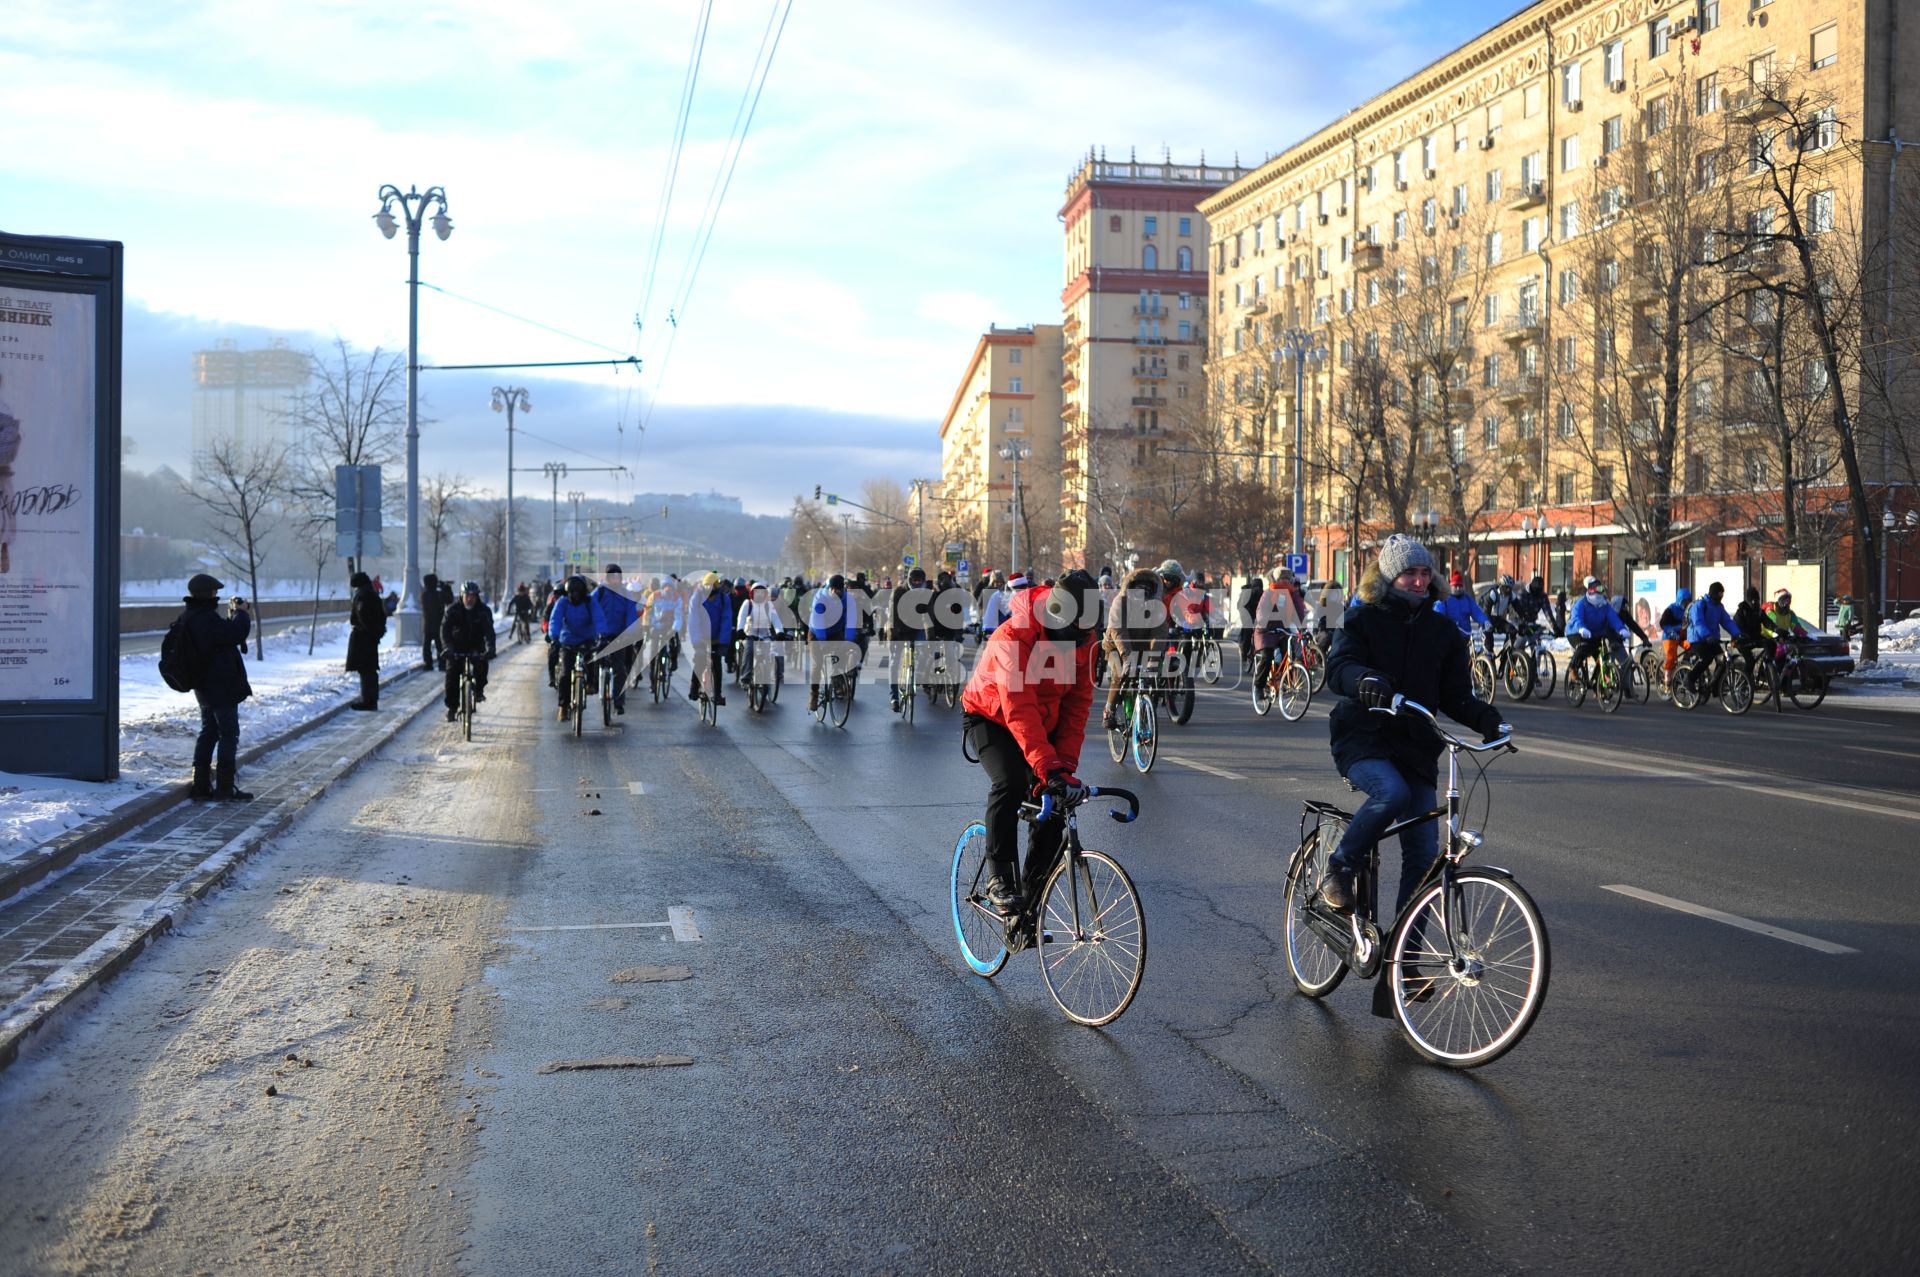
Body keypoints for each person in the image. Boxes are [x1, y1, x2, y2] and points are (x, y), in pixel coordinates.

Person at [1319, 535, 1506, 926]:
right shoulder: (1361, 618)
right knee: (1392, 793)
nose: (1419, 581)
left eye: (1424, 573)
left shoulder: (1443, 632)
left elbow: (1456, 695)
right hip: (1364, 739)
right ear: (1388, 576)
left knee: (1423, 856)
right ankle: (1340, 866)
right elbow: (1339, 668)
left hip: (1416, 750)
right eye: (1409, 573)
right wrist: (1364, 679)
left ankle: (1403, 964)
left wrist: (1487, 719)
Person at [960, 569, 1102, 914]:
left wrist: (1063, 768)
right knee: (1010, 781)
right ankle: (1000, 879)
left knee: (1055, 800)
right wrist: (1045, 764)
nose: (1073, 646)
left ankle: (1031, 905)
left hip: (1041, 720)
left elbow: (1077, 707)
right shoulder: (1014, 636)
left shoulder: (1083, 637)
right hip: (992, 716)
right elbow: (1018, 707)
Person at [179, 573, 255, 801]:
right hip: (219, 685)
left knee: (209, 731)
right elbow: (234, 633)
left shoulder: (189, 616)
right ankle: (224, 787)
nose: (217, 596)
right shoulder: (205, 618)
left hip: (203, 686)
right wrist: (241, 614)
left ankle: (201, 784)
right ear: (208, 594)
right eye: (215, 592)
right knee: (228, 734)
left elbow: (221, 636)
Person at [1101, 566, 1166, 730]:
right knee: (1119, 673)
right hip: (1116, 646)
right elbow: (1118, 630)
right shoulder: (1119, 602)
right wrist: (1127, 657)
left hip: (1142, 645)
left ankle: (1146, 711)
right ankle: (1109, 711)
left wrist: (1153, 660)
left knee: (1153, 675)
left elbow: (1159, 633)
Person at [590, 565, 643, 715]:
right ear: (607, 578)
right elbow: (590, 608)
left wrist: (630, 633)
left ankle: (619, 702)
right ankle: (593, 685)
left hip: (619, 636)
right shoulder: (599, 593)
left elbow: (631, 615)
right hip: (600, 635)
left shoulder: (626, 594)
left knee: (620, 670)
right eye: (612, 576)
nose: (615, 579)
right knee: (594, 661)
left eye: (618, 577)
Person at [441, 581, 497, 722]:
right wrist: (447, 648)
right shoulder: (453, 610)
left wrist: (490, 648)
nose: (470, 598)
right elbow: (445, 631)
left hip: (476, 646)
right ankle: (452, 708)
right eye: (467, 595)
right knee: (452, 675)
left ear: (477, 596)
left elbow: (489, 632)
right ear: (461, 595)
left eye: (473, 595)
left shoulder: (484, 611)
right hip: (456, 646)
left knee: (482, 664)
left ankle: (479, 690)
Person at [548, 574, 599, 719]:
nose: (575, 596)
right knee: (564, 673)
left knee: (592, 661)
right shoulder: (562, 602)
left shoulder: (590, 602)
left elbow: (599, 618)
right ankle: (563, 706)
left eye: (577, 592)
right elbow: (555, 619)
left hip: (587, 639)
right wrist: (554, 636)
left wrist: (601, 635)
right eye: (572, 592)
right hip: (568, 641)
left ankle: (590, 684)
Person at [808, 573, 860, 712]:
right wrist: (823, 643)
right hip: (816, 632)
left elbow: (851, 621)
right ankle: (813, 694)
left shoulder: (848, 599)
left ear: (842, 589)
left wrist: (849, 641)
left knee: (839, 655)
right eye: (832, 589)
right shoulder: (820, 597)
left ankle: (837, 682)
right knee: (817, 664)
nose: (835, 592)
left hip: (835, 631)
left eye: (838, 589)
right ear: (829, 587)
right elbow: (817, 621)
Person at [1566, 576, 1629, 690]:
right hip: (1575, 632)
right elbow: (1576, 618)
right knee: (1583, 647)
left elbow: (1613, 618)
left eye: (1601, 590)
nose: (1599, 594)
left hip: (1594, 634)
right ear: (1590, 591)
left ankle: (1596, 685)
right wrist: (1581, 628)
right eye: (1596, 590)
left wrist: (1621, 629)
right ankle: (1572, 668)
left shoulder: (1604, 605)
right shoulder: (1581, 604)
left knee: (1601, 658)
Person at [884, 567, 934, 710]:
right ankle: (894, 697)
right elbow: (893, 616)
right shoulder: (899, 592)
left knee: (925, 651)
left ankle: (917, 677)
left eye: (920, 581)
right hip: (899, 629)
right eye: (914, 580)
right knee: (894, 661)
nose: (917, 583)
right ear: (910, 580)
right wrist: (893, 637)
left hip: (916, 628)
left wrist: (930, 639)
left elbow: (928, 617)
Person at [682, 571, 734, 707]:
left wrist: (723, 643)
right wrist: (697, 642)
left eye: (712, 586)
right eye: (707, 586)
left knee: (716, 664)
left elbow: (726, 620)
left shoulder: (723, 599)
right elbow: (694, 622)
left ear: (717, 586)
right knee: (700, 660)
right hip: (702, 638)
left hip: (716, 638)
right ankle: (694, 688)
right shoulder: (697, 598)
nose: (709, 589)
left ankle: (717, 694)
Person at [1250, 573, 1307, 692]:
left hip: (1282, 630)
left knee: (1289, 654)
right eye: (1282, 578)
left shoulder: (1292, 594)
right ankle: (1258, 687)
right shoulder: (1268, 593)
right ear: (1277, 579)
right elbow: (1261, 610)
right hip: (1266, 630)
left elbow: (1299, 611)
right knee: (1267, 656)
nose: (1285, 581)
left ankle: (1284, 682)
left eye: (1287, 579)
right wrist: (1263, 622)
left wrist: (1302, 627)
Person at [1683, 580, 1742, 693]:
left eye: (1721, 596)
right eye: (1718, 596)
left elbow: (1726, 621)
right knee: (1707, 658)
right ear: (1712, 594)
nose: (1719, 599)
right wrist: (1707, 635)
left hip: (1712, 639)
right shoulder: (1700, 604)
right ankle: (1689, 679)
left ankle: (1715, 686)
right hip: (1697, 639)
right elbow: (1698, 622)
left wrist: (1737, 633)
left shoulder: (1719, 607)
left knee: (1723, 659)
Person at [346, 570, 386, 711]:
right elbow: (382, 616)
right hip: (370, 637)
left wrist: (368, 631)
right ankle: (370, 699)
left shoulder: (363, 595)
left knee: (366, 670)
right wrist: (378, 632)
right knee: (369, 669)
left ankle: (368, 700)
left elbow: (362, 617)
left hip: (364, 637)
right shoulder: (372, 593)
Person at [737, 581, 785, 690]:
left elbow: (776, 619)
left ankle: (767, 681)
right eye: (756, 592)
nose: (759, 594)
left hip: (765, 636)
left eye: (761, 592)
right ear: (752, 593)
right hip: (750, 635)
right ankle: (745, 679)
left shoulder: (769, 605)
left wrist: (779, 631)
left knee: (769, 655)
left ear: (765, 594)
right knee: (749, 652)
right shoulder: (747, 604)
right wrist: (740, 630)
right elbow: (741, 617)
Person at [1657, 587, 1693, 688]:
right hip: (1669, 636)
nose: (1687, 603)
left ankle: (1683, 667)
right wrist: (1672, 631)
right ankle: (1667, 681)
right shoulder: (1671, 609)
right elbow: (1663, 623)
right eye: (1685, 601)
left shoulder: (1688, 610)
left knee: (1691, 646)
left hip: (1681, 635)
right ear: (1680, 600)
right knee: (1671, 657)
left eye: (1688, 601)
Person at [1438, 571, 1491, 636]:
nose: (1458, 588)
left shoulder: (1467, 599)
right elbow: (1438, 614)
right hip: (1449, 635)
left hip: (1465, 634)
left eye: (1460, 586)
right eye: (1455, 586)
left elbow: (1476, 611)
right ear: (1451, 586)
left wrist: (1484, 621)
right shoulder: (1444, 599)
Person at [420, 573, 449, 670]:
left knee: (426, 647)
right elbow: (449, 599)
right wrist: (445, 588)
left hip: (427, 625)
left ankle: (428, 664)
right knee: (440, 646)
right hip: (439, 625)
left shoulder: (424, 595)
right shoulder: (439, 595)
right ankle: (442, 664)